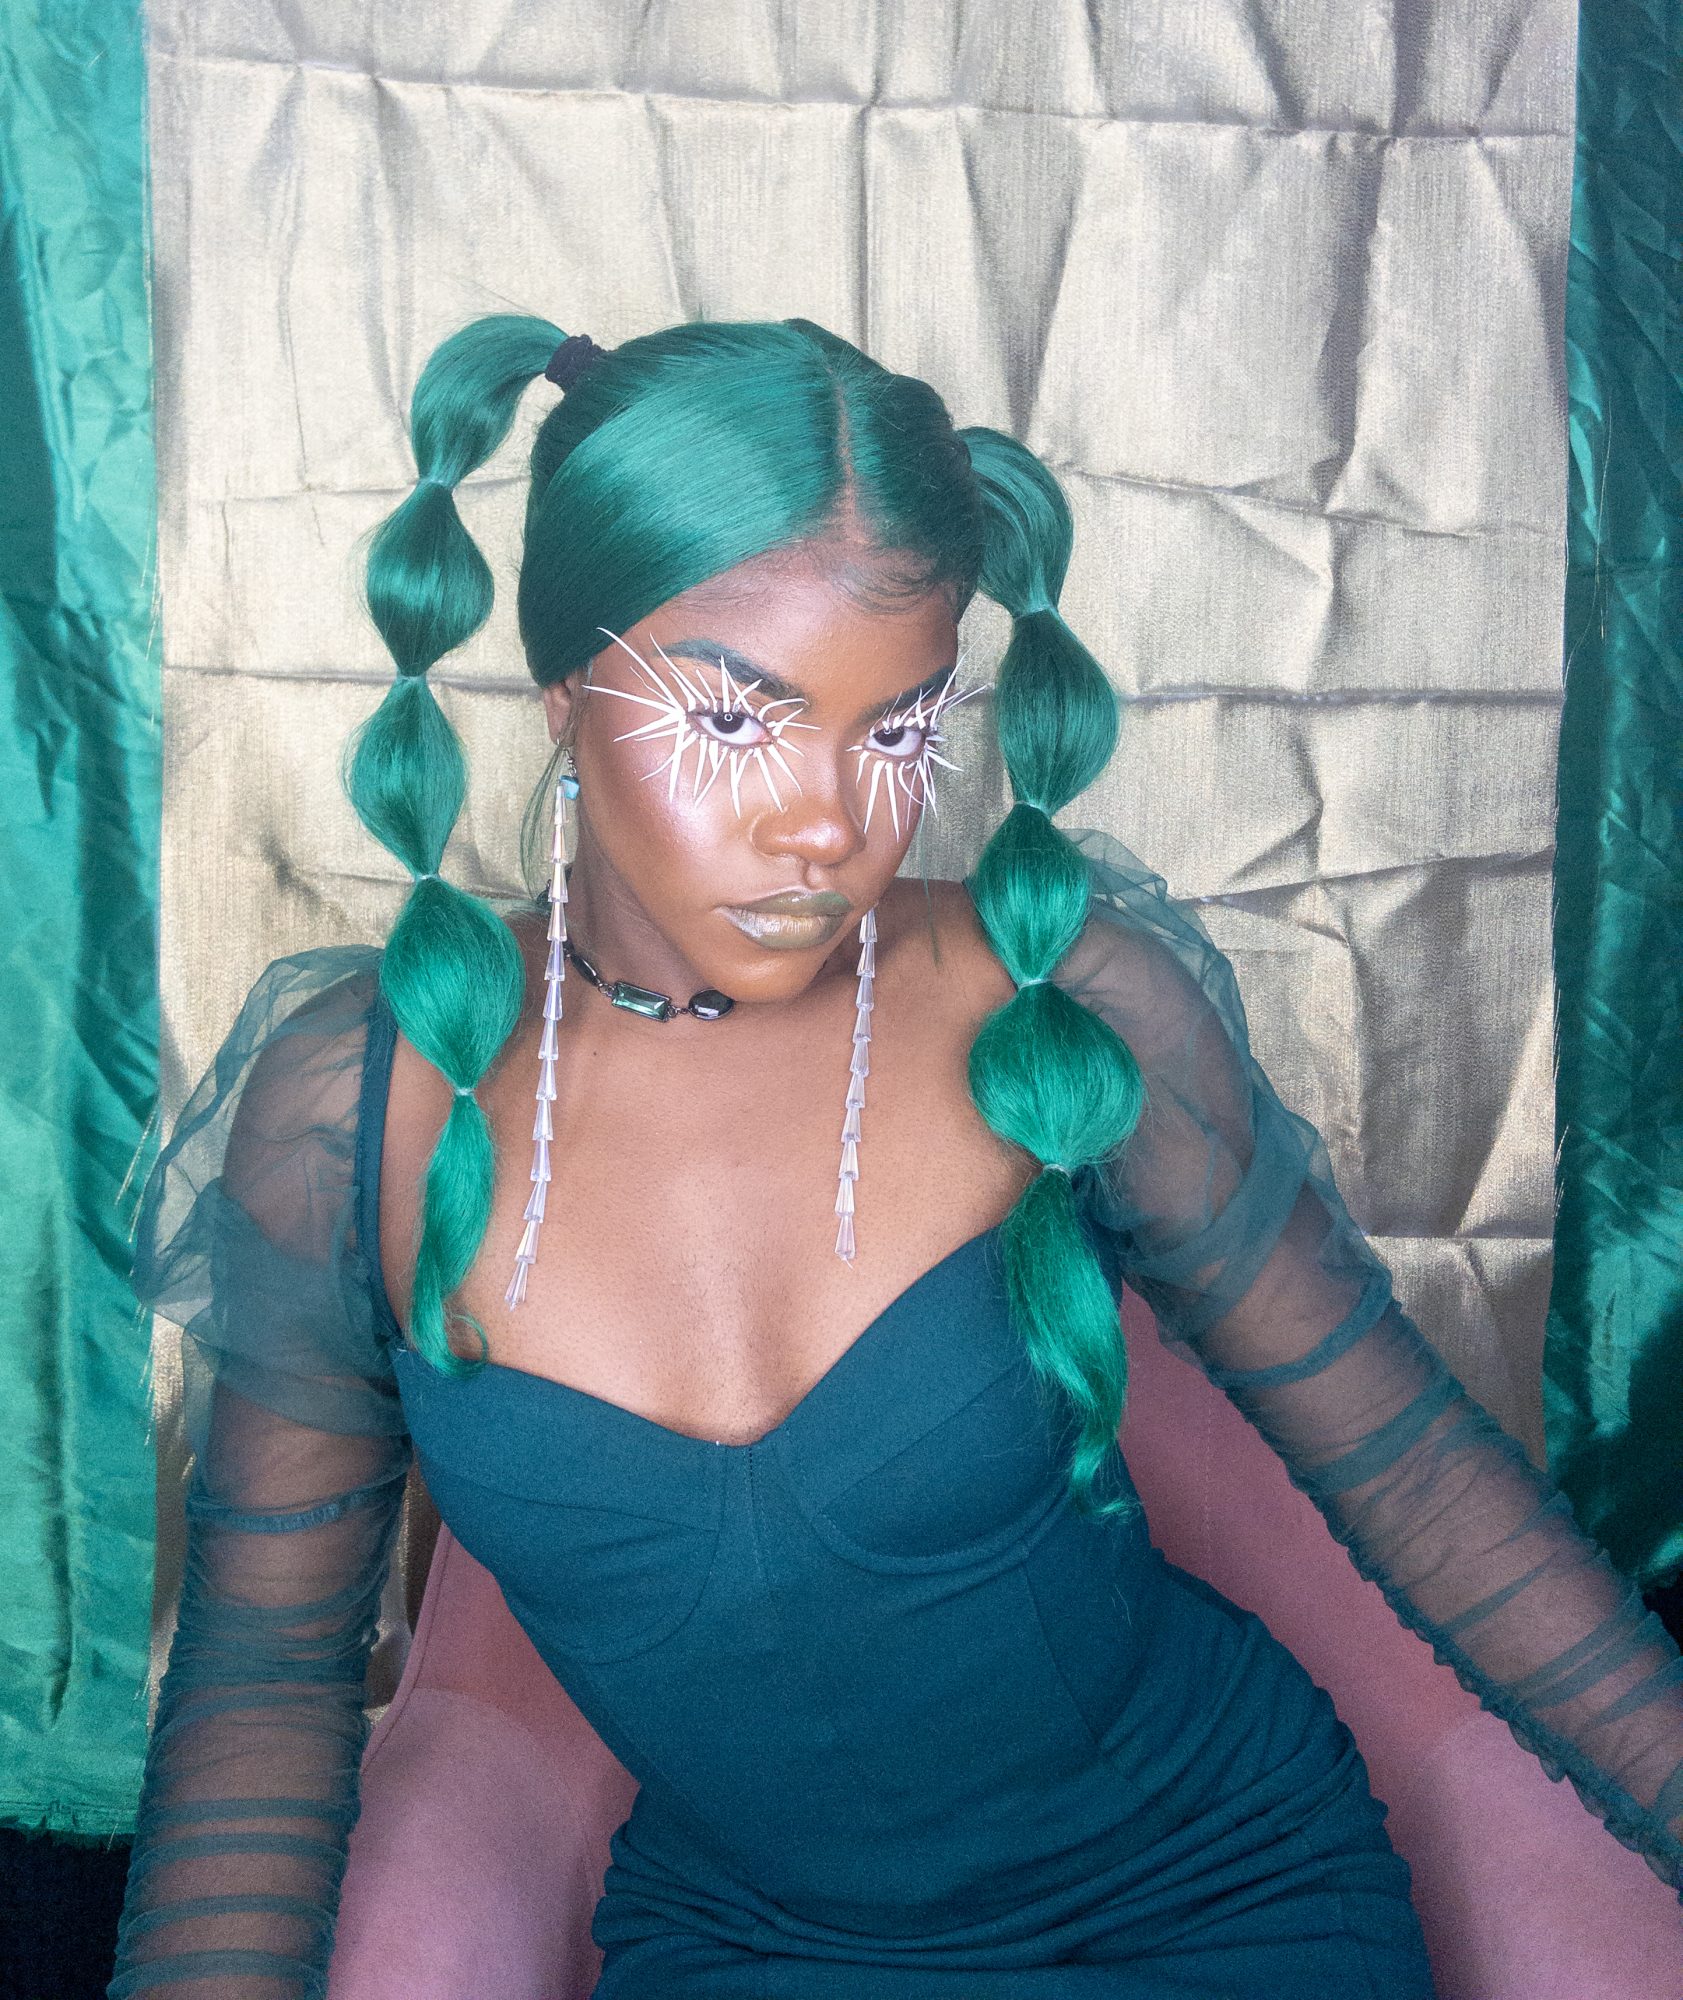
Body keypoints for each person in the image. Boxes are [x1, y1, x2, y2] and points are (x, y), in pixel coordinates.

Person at [106, 314, 1683, 2000]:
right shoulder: (357, 1108)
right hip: (755, 1945)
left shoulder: (1058, 1005)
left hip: (1208, 1895)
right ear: (564, 692)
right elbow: (264, 1681)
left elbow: (1429, 1489)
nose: (829, 826)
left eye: (899, 731)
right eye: (735, 725)